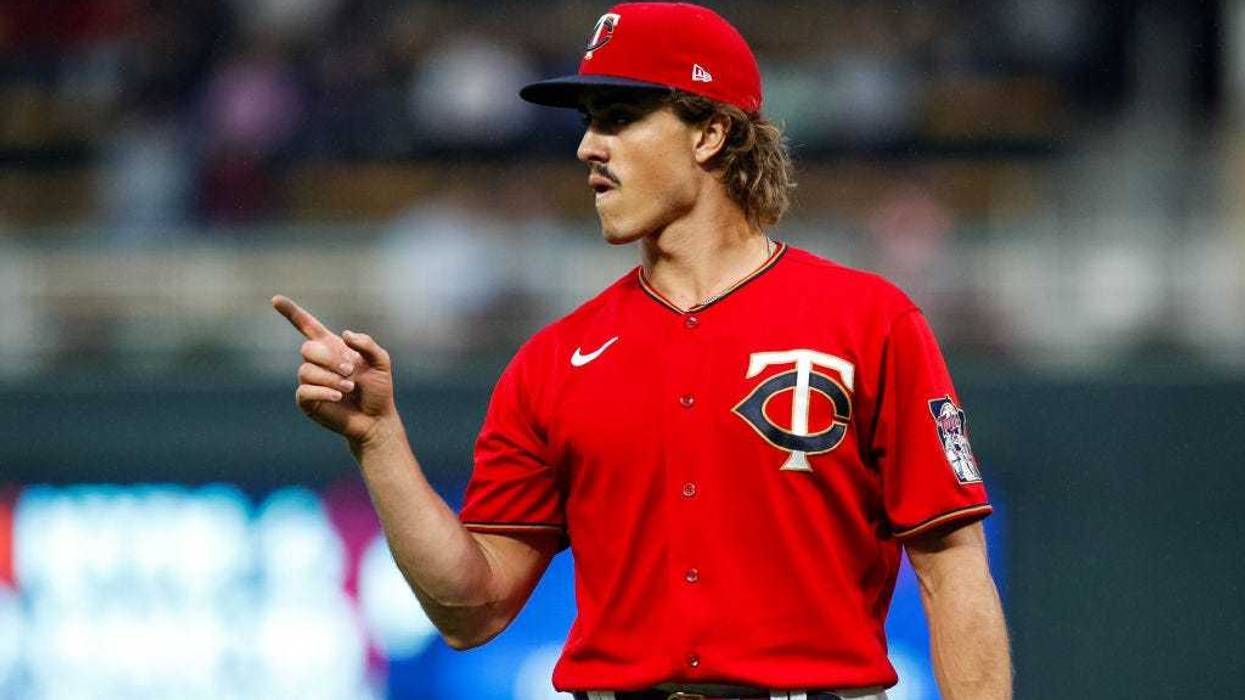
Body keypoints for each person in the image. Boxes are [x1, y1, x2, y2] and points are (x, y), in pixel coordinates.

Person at [272, 3, 1011, 699]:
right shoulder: (554, 361)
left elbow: (950, 562)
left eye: (620, 118)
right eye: (591, 121)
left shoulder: (867, 322)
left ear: (708, 134)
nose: (588, 145)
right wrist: (378, 440)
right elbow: (472, 609)